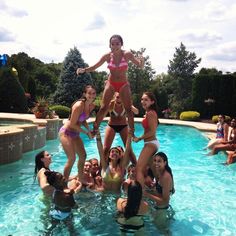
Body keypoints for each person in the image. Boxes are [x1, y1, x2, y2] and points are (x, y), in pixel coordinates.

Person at [76, 34, 144, 136]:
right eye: (113, 44)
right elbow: (95, 66)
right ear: (110, 45)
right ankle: (95, 130)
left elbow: (140, 65)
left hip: (123, 84)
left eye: (117, 44)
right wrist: (84, 70)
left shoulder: (127, 54)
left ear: (121, 44)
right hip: (111, 83)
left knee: (129, 109)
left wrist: (142, 61)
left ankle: (132, 133)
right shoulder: (107, 56)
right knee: (103, 108)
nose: (115, 46)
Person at [59, 85, 96, 181]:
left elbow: (82, 120)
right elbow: (72, 124)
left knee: (83, 156)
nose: (91, 95)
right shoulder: (79, 105)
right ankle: (64, 182)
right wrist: (86, 133)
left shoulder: (91, 106)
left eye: (93, 93)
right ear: (84, 94)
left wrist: (89, 130)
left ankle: (81, 179)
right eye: (89, 93)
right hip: (66, 132)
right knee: (72, 158)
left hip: (75, 134)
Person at [133, 92, 159, 188]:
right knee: (149, 170)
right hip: (150, 143)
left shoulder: (151, 113)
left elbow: (152, 132)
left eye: (146, 100)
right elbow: (148, 130)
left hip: (151, 143)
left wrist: (139, 138)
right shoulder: (148, 113)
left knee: (138, 168)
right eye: (142, 99)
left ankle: (140, 194)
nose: (143, 101)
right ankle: (158, 188)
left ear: (152, 102)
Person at [103, 92, 138, 164]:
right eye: (118, 97)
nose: (119, 99)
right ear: (114, 97)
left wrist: (130, 106)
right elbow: (102, 113)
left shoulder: (126, 104)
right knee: (106, 149)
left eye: (121, 97)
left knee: (129, 150)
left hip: (123, 126)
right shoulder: (111, 104)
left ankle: (137, 168)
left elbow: (137, 112)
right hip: (112, 125)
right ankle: (101, 170)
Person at [143, 152, 174, 232]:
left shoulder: (166, 177)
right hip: (157, 206)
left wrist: (147, 194)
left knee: (162, 230)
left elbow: (165, 201)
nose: (156, 163)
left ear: (165, 162)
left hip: (162, 208)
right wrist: (154, 187)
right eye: (155, 161)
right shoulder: (160, 171)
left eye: (159, 161)